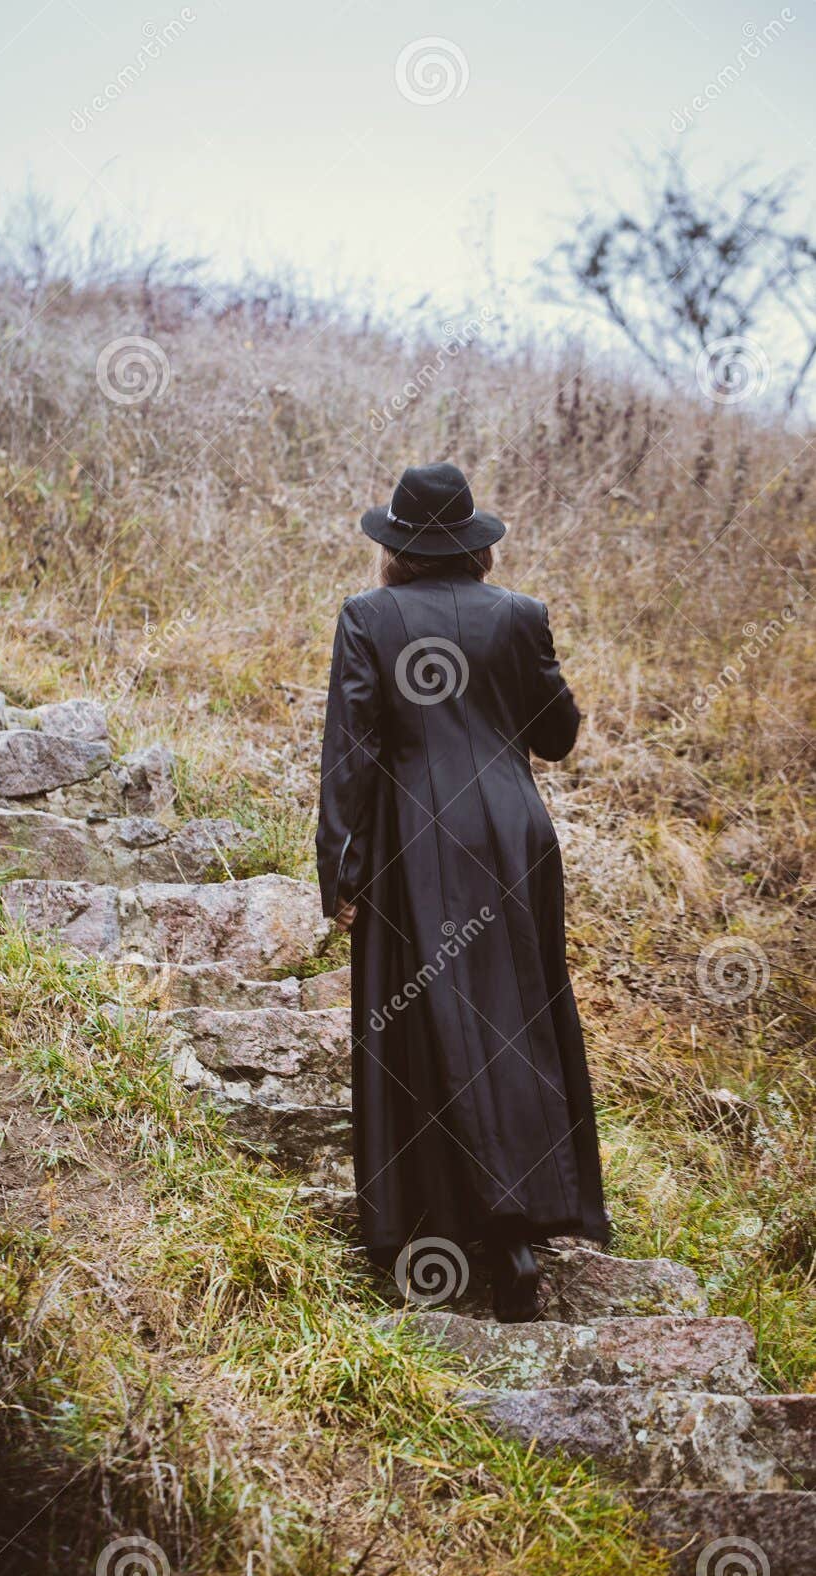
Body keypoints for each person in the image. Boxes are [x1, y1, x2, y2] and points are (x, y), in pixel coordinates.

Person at [316, 462, 610, 1322]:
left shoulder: (369, 616)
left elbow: (352, 752)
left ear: (393, 546)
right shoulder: (520, 617)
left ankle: (431, 1232)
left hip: (415, 843)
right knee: (517, 1021)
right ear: (475, 543)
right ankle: (517, 1231)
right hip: (513, 835)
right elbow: (555, 736)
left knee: (415, 1023)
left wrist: (341, 866)